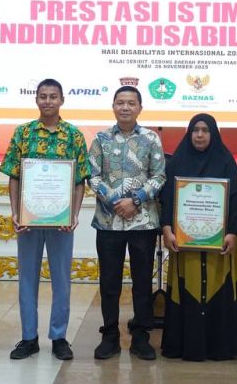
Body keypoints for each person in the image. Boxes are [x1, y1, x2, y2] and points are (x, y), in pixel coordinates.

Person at [2, 78, 90, 361]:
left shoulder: (74, 135)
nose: (48, 101)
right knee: (27, 278)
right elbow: (14, 176)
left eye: (53, 96)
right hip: (28, 220)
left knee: (61, 280)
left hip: (61, 221)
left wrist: (73, 214)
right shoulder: (23, 133)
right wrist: (16, 212)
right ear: (36, 99)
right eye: (43, 96)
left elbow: (79, 181)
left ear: (62, 100)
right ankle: (29, 338)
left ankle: (59, 337)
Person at [160, 114, 237, 361]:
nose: (200, 135)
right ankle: (186, 345)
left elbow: (236, 197)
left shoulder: (225, 161)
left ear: (214, 134)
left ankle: (220, 346)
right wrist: (166, 228)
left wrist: (232, 231)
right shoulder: (177, 162)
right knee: (187, 286)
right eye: (195, 130)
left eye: (205, 130)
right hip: (185, 242)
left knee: (218, 285)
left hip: (220, 241)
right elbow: (166, 198)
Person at [89, 86, 166, 360]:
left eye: (131, 103)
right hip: (108, 222)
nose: (125, 107)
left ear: (140, 108)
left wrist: (135, 200)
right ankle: (110, 336)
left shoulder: (151, 139)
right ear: (113, 106)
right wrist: (115, 201)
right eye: (120, 102)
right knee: (109, 282)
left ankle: (141, 337)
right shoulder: (100, 139)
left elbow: (159, 176)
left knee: (142, 282)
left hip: (143, 223)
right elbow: (93, 176)